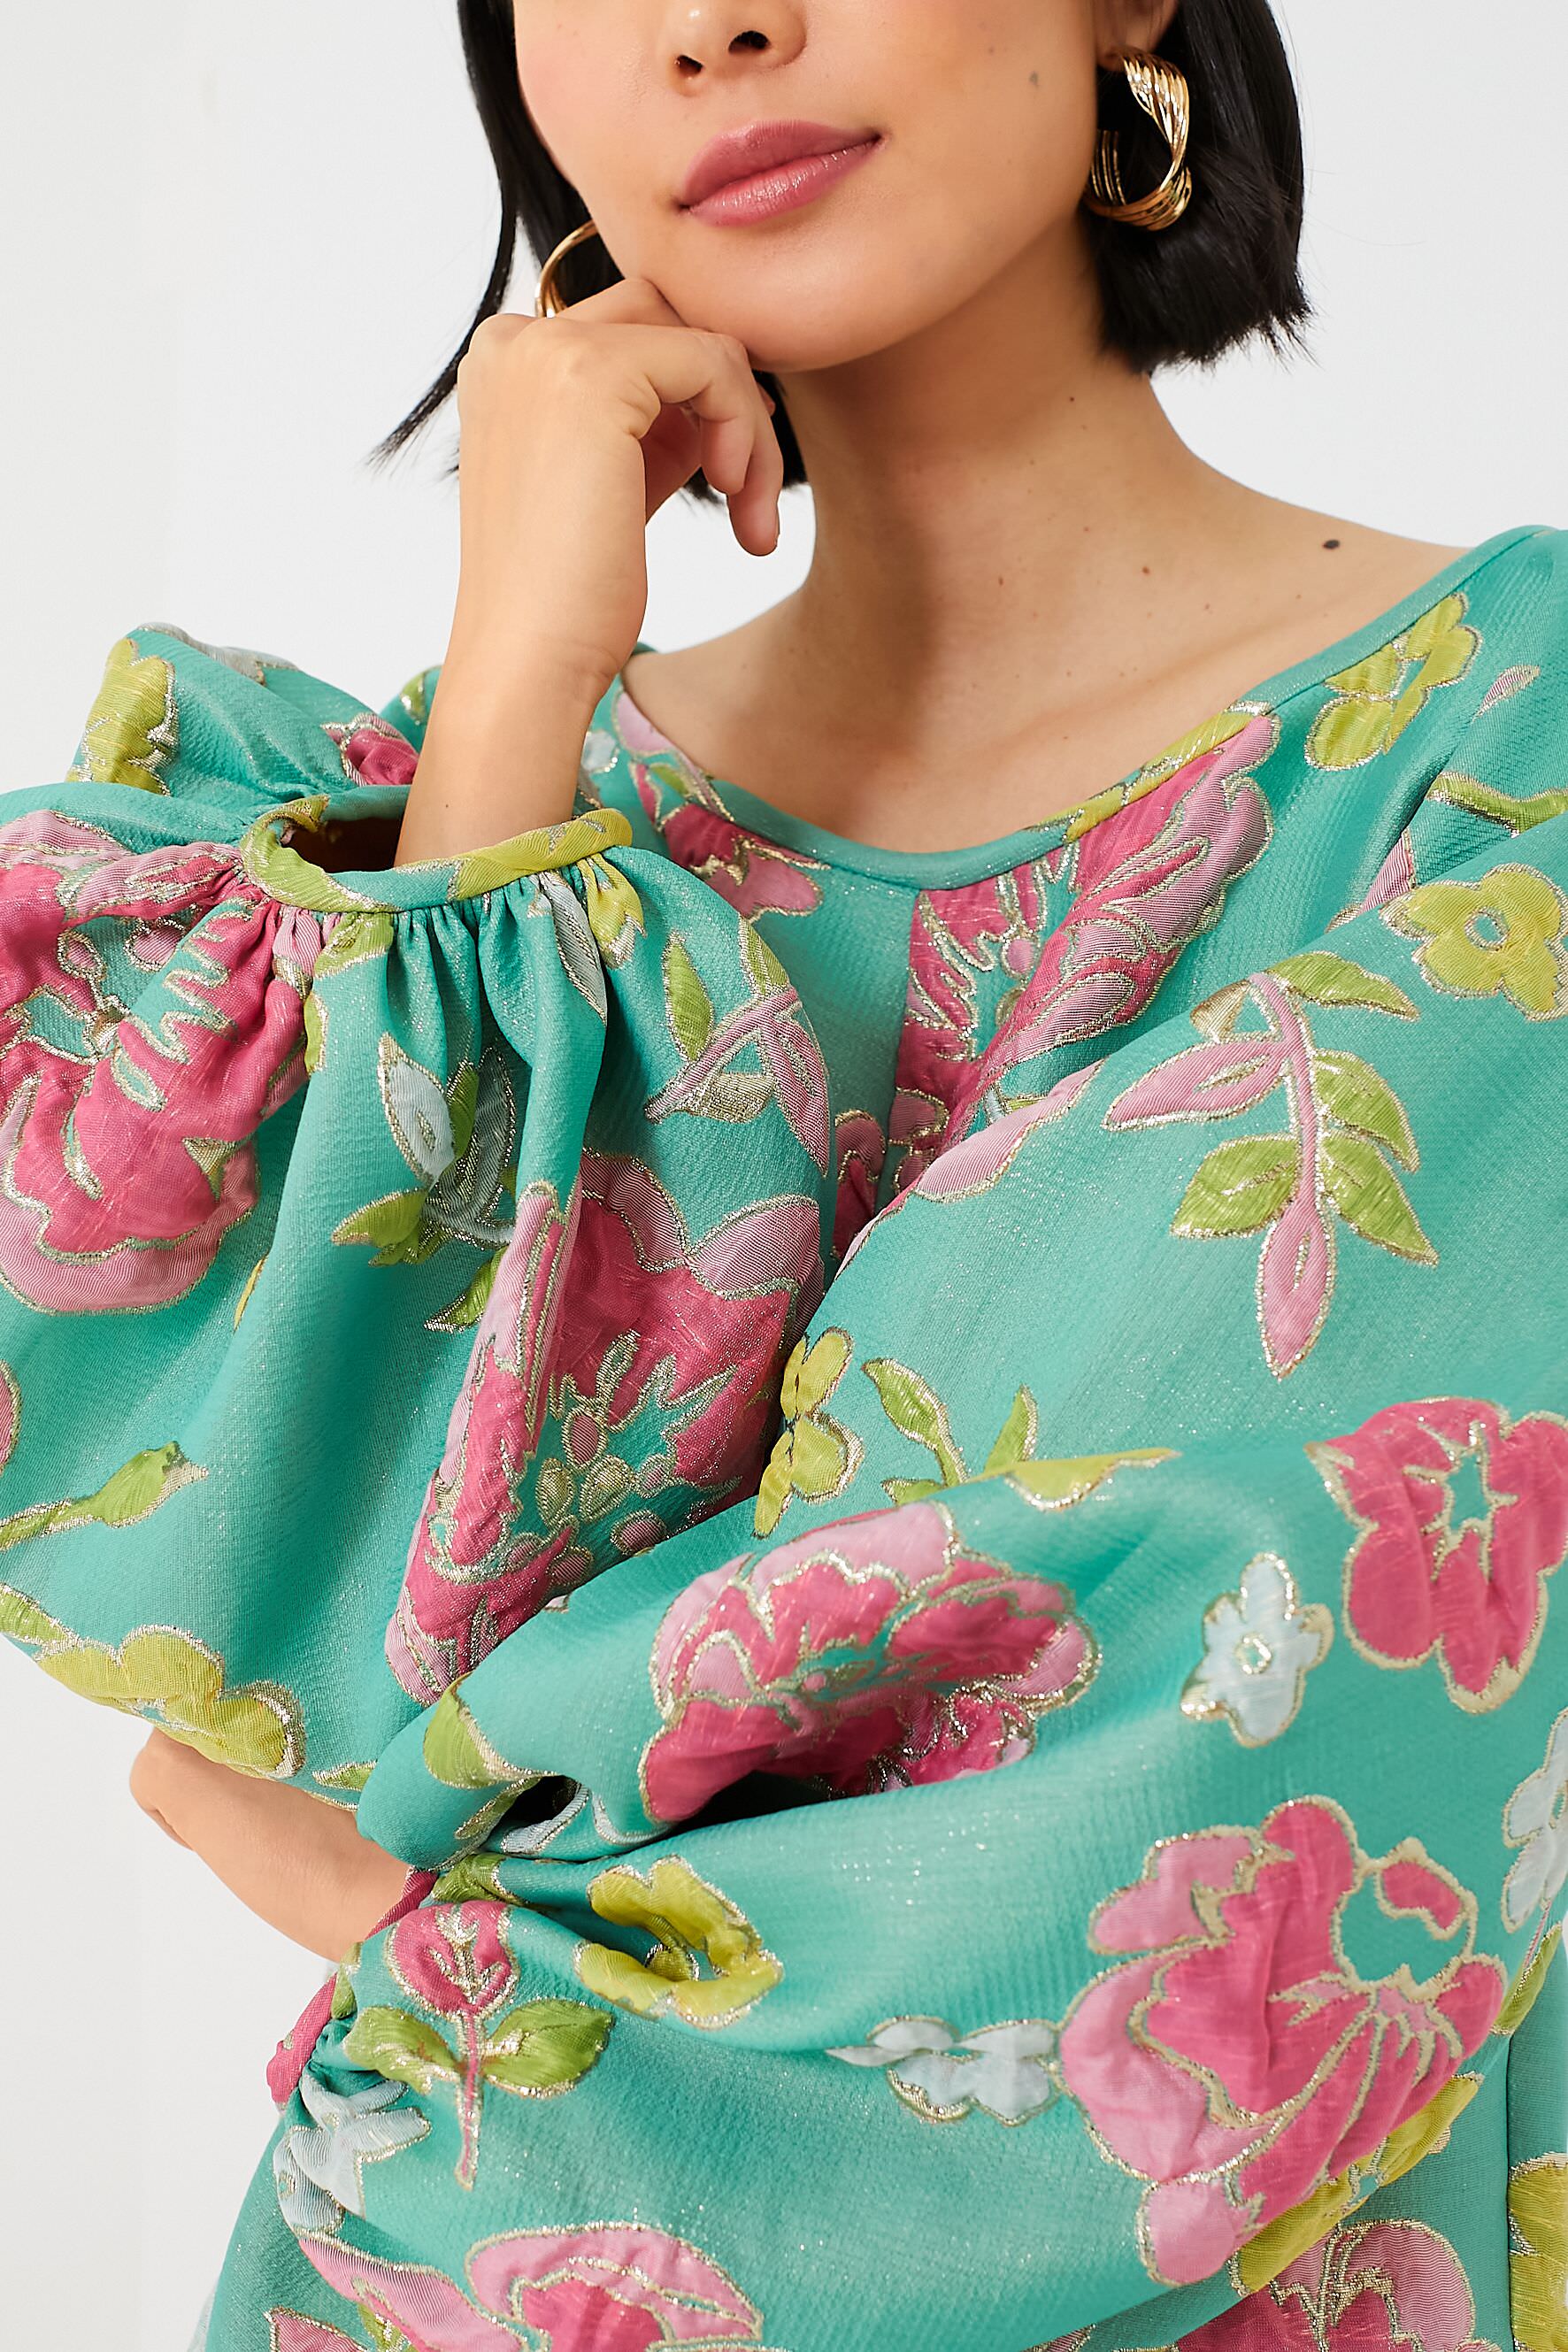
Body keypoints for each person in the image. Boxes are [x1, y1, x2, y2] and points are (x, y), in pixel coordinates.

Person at [3, 1, 1566, 2345]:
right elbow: (313, 1646)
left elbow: (1205, 1762)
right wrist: (513, 696)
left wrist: (431, 1927)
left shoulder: (1512, 761)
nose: (714, 19)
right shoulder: (435, 861)